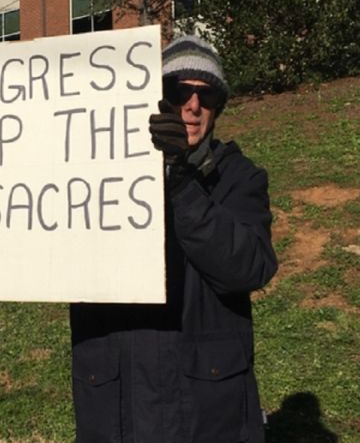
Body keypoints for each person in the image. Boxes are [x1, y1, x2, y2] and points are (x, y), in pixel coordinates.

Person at [68, 34, 278, 442]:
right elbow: (26, 234)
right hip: (115, 406)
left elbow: (248, 266)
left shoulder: (240, 178)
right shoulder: (95, 175)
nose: (193, 105)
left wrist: (181, 183)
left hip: (206, 411)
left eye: (207, 95)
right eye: (178, 89)